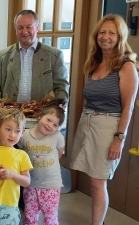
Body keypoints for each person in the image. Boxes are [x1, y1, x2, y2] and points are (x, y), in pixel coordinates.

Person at [70, 14, 138, 225]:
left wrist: (119, 138)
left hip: (109, 126)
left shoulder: (126, 67)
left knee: (99, 181)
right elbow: (89, 97)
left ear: (120, 37)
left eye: (111, 33)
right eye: (102, 32)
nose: (105, 37)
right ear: (96, 35)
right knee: (93, 179)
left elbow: (128, 107)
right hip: (88, 121)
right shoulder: (93, 62)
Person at [0, 9, 69, 110]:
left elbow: (62, 86)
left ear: (37, 27)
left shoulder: (54, 55)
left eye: (29, 27)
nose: (24, 31)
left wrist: (57, 109)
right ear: (15, 29)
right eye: (20, 27)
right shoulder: (1, 56)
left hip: (42, 116)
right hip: (10, 116)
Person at [18, 99, 66, 225]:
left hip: (51, 185)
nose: (50, 125)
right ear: (40, 116)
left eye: (55, 125)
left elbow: (59, 154)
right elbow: (20, 153)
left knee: (50, 218)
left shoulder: (57, 137)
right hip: (30, 184)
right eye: (49, 120)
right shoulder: (25, 135)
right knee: (29, 216)